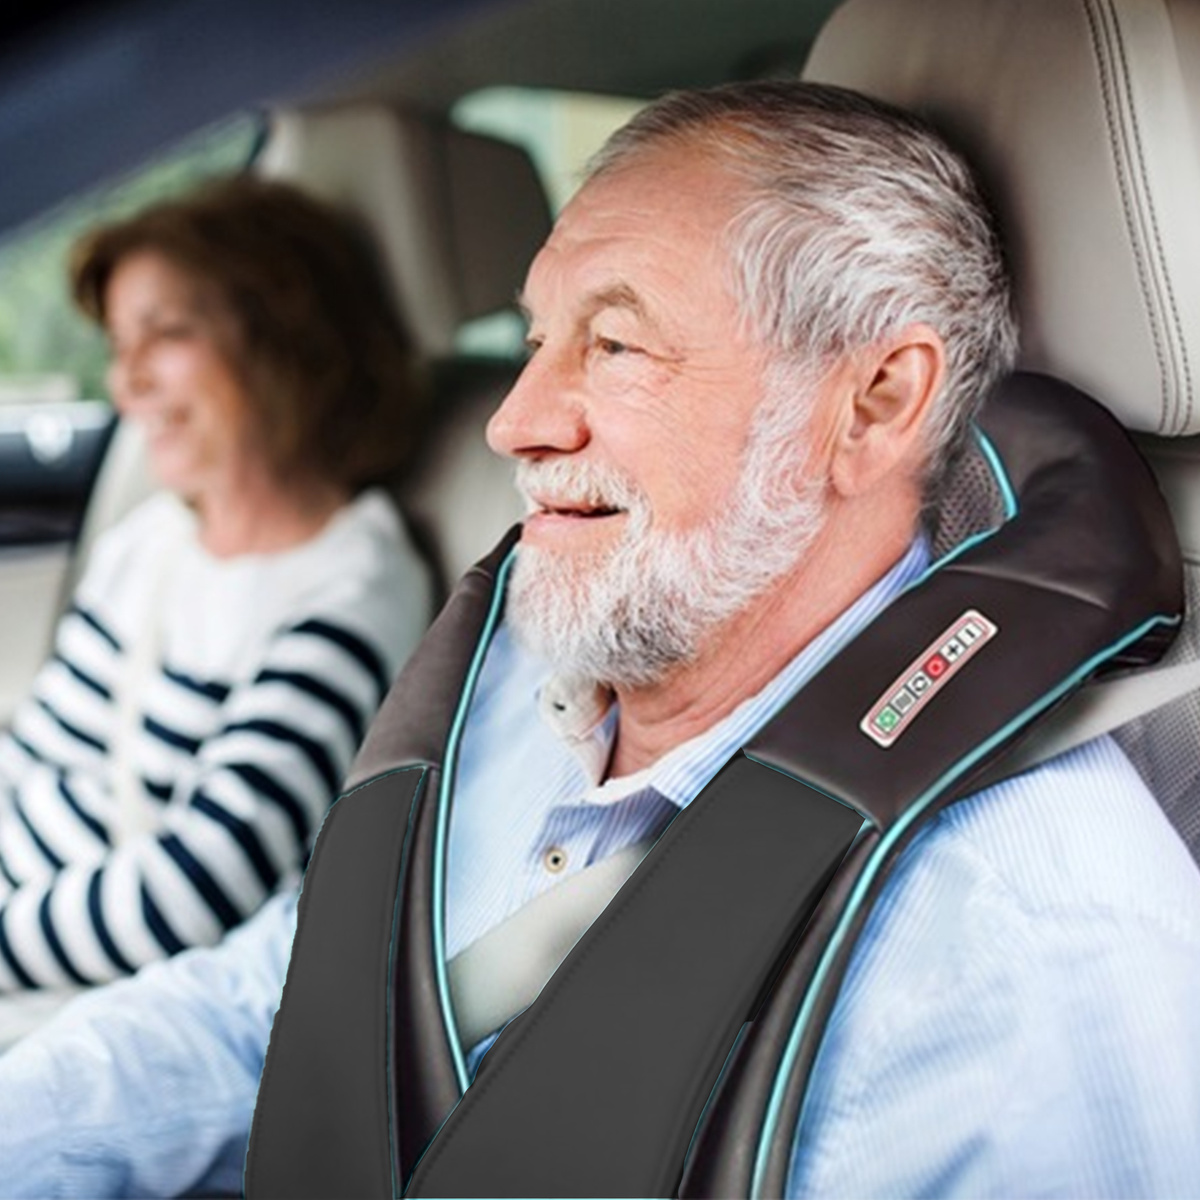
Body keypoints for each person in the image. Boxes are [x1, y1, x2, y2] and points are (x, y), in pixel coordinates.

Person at [2, 82, 1200, 1198]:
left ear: (873, 404)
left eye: (617, 346)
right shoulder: (509, 675)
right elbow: (278, 1002)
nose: (515, 424)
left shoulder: (1028, 952)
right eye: (536, 342)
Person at [0, 177, 433, 1039]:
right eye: (120, 344)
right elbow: (34, 754)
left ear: (284, 344)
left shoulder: (351, 593)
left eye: (166, 334)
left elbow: (197, 889)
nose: (126, 384)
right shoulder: (154, 537)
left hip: (76, 989)